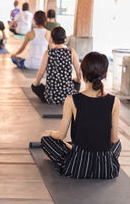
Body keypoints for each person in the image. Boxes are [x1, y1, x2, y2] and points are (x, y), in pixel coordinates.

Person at [40, 51, 121, 179]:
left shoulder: (71, 99)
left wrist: (50, 132)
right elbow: (114, 140)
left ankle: (71, 147)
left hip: (78, 166)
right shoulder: (114, 101)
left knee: (46, 140)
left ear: (82, 74)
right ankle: (73, 147)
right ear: (104, 76)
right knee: (118, 144)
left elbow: (61, 135)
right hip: (106, 169)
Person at [32, 27, 81, 104]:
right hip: (69, 97)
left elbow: (41, 73)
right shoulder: (71, 52)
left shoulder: (48, 53)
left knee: (35, 86)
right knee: (76, 82)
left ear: (52, 39)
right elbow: (79, 73)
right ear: (65, 38)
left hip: (51, 97)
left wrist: (36, 84)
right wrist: (77, 80)